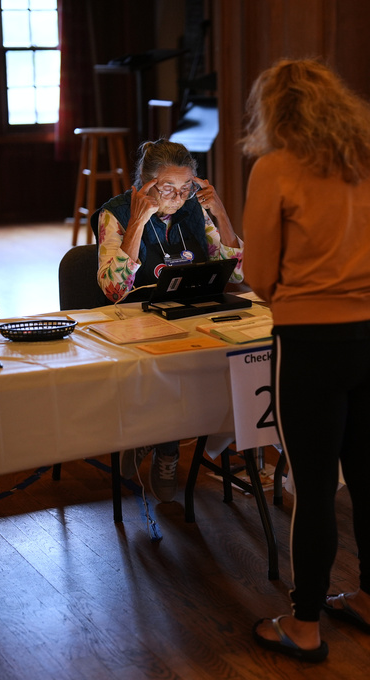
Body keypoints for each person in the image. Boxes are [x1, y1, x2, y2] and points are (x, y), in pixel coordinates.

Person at [241, 58, 370, 662]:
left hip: (314, 341)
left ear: (274, 112)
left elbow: (259, 275)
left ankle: (306, 623)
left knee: (312, 485)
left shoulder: (276, 169)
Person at [93, 139, 244, 502]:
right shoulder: (115, 214)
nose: (178, 197)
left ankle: (153, 437)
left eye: (186, 187)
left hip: (187, 310)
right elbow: (114, 289)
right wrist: (140, 220)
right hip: (136, 316)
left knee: (221, 356)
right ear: (145, 186)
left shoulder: (194, 207)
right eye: (167, 189)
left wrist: (220, 212)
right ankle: (165, 447)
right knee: (170, 362)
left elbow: (237, 274)